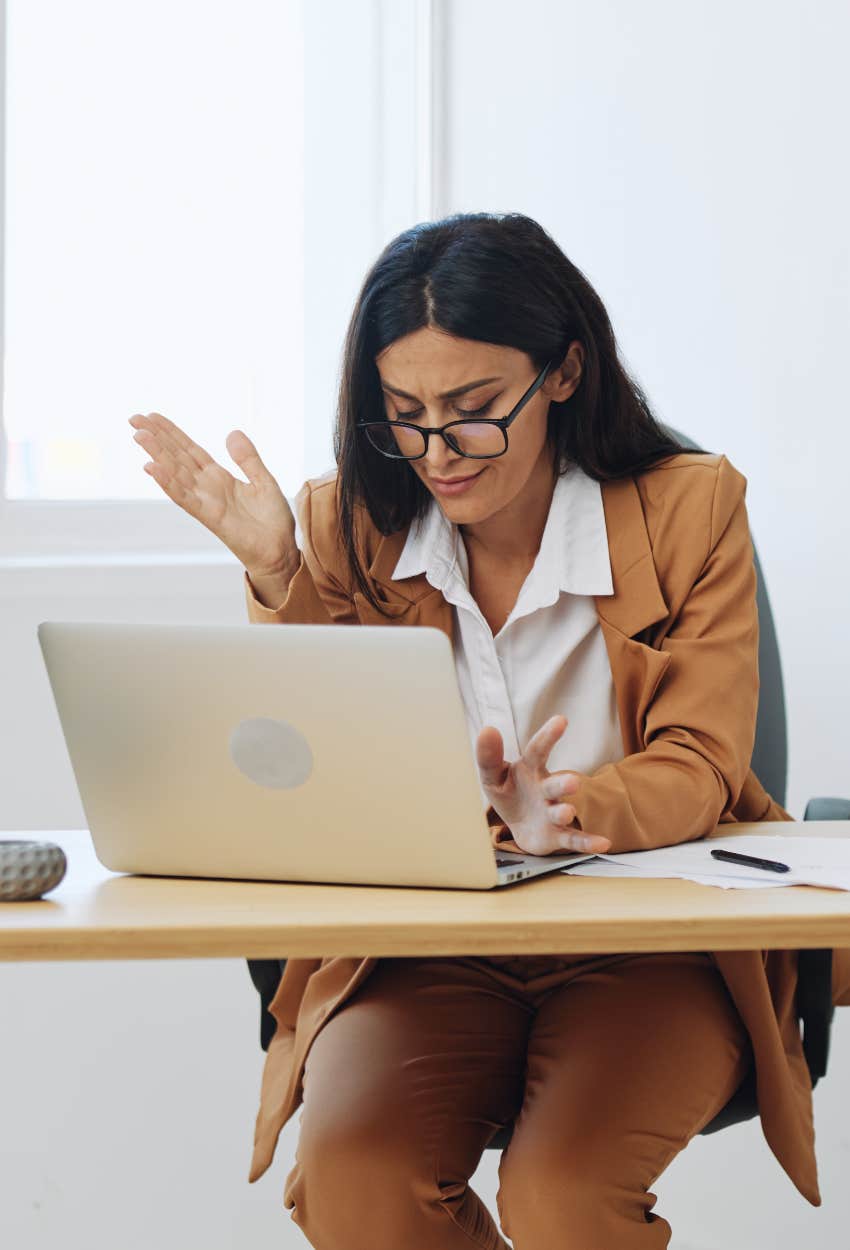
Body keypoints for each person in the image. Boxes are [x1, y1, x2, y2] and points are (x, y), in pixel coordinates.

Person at [128, 212, 848, 1249]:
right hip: (431, 949)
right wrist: (283, 574)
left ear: (561, 374)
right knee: (354, 1176)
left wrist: (561, 809)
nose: (436, 452)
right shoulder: (347, 524)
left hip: (647, 949)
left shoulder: (690, 508)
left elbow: (701, 764)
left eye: (470, 411)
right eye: (404, 414)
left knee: (564, 1196)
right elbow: (315, 762)